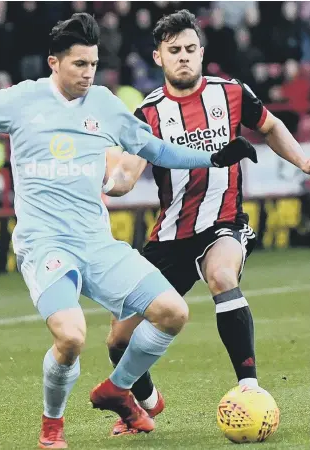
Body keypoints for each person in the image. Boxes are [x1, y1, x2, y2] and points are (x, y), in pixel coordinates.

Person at [0, 13, 257, 449]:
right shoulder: (20, 101)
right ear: (53, 62)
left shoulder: (104, 102)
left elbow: (154, 147)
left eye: (93, 64)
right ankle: (53, 428)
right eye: (79, 64)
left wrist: (214, 159)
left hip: (97, 243)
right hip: (45, 243)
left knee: (173, 313)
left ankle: (118, 389)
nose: (88, 74)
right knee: (71, 337)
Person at [103, 9, 310, 436]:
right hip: (170, 235)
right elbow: (127, 172)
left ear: (202, 51)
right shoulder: (148, 114)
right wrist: (113, 183)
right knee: (118, 340)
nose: (184, 57)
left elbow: (270, 126)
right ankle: (146, 404)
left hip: (224, 223)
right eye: (174, 50)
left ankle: (249, 388)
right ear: (158, 57)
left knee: (221, 273)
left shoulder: (232, 93)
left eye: (191, 49)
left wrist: (304, 160)